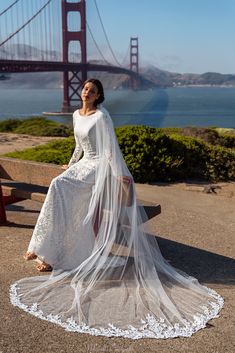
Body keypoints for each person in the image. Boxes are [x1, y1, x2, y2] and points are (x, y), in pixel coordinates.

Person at [10, 79, 223, 339]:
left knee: (57, 187)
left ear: (99, 95)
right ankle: (44, 250)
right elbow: (78, 146)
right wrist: (70, 164)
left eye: (92, 90)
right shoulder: (77, 115)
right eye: (85, 88)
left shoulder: (102, 116)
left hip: (98, 167)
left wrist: (117, 176)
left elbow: (110, 150)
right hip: (84, 163)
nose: (86, 91)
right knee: (61, 188)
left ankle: (43, 251)